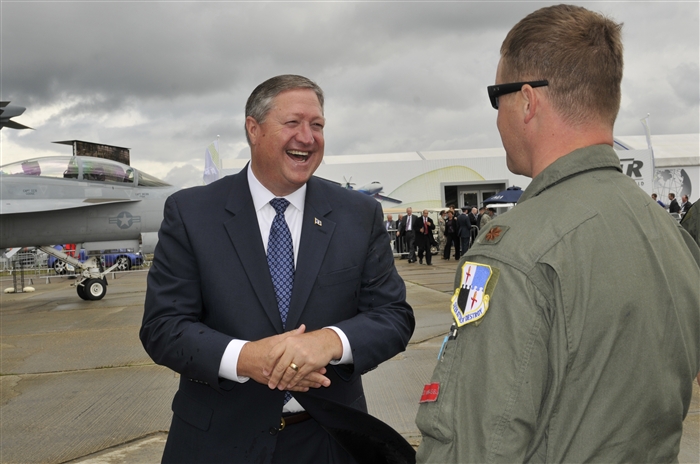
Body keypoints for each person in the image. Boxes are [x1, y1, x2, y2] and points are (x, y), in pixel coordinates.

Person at [416, 5, 700, 463]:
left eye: (497, 97)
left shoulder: (515, 249)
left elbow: (477, 444)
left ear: (528, 101)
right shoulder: (672, 238)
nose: (496, 118)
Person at [140, 74, 415, 463]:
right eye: (293, 123)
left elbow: (393, 317)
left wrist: (329, 342)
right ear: (254, 129)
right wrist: (249, 358)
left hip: (330, 443)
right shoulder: (191, 213)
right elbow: (163, 326)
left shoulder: (359, 214)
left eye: (317, 125)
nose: (308, 137)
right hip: (218, 444)